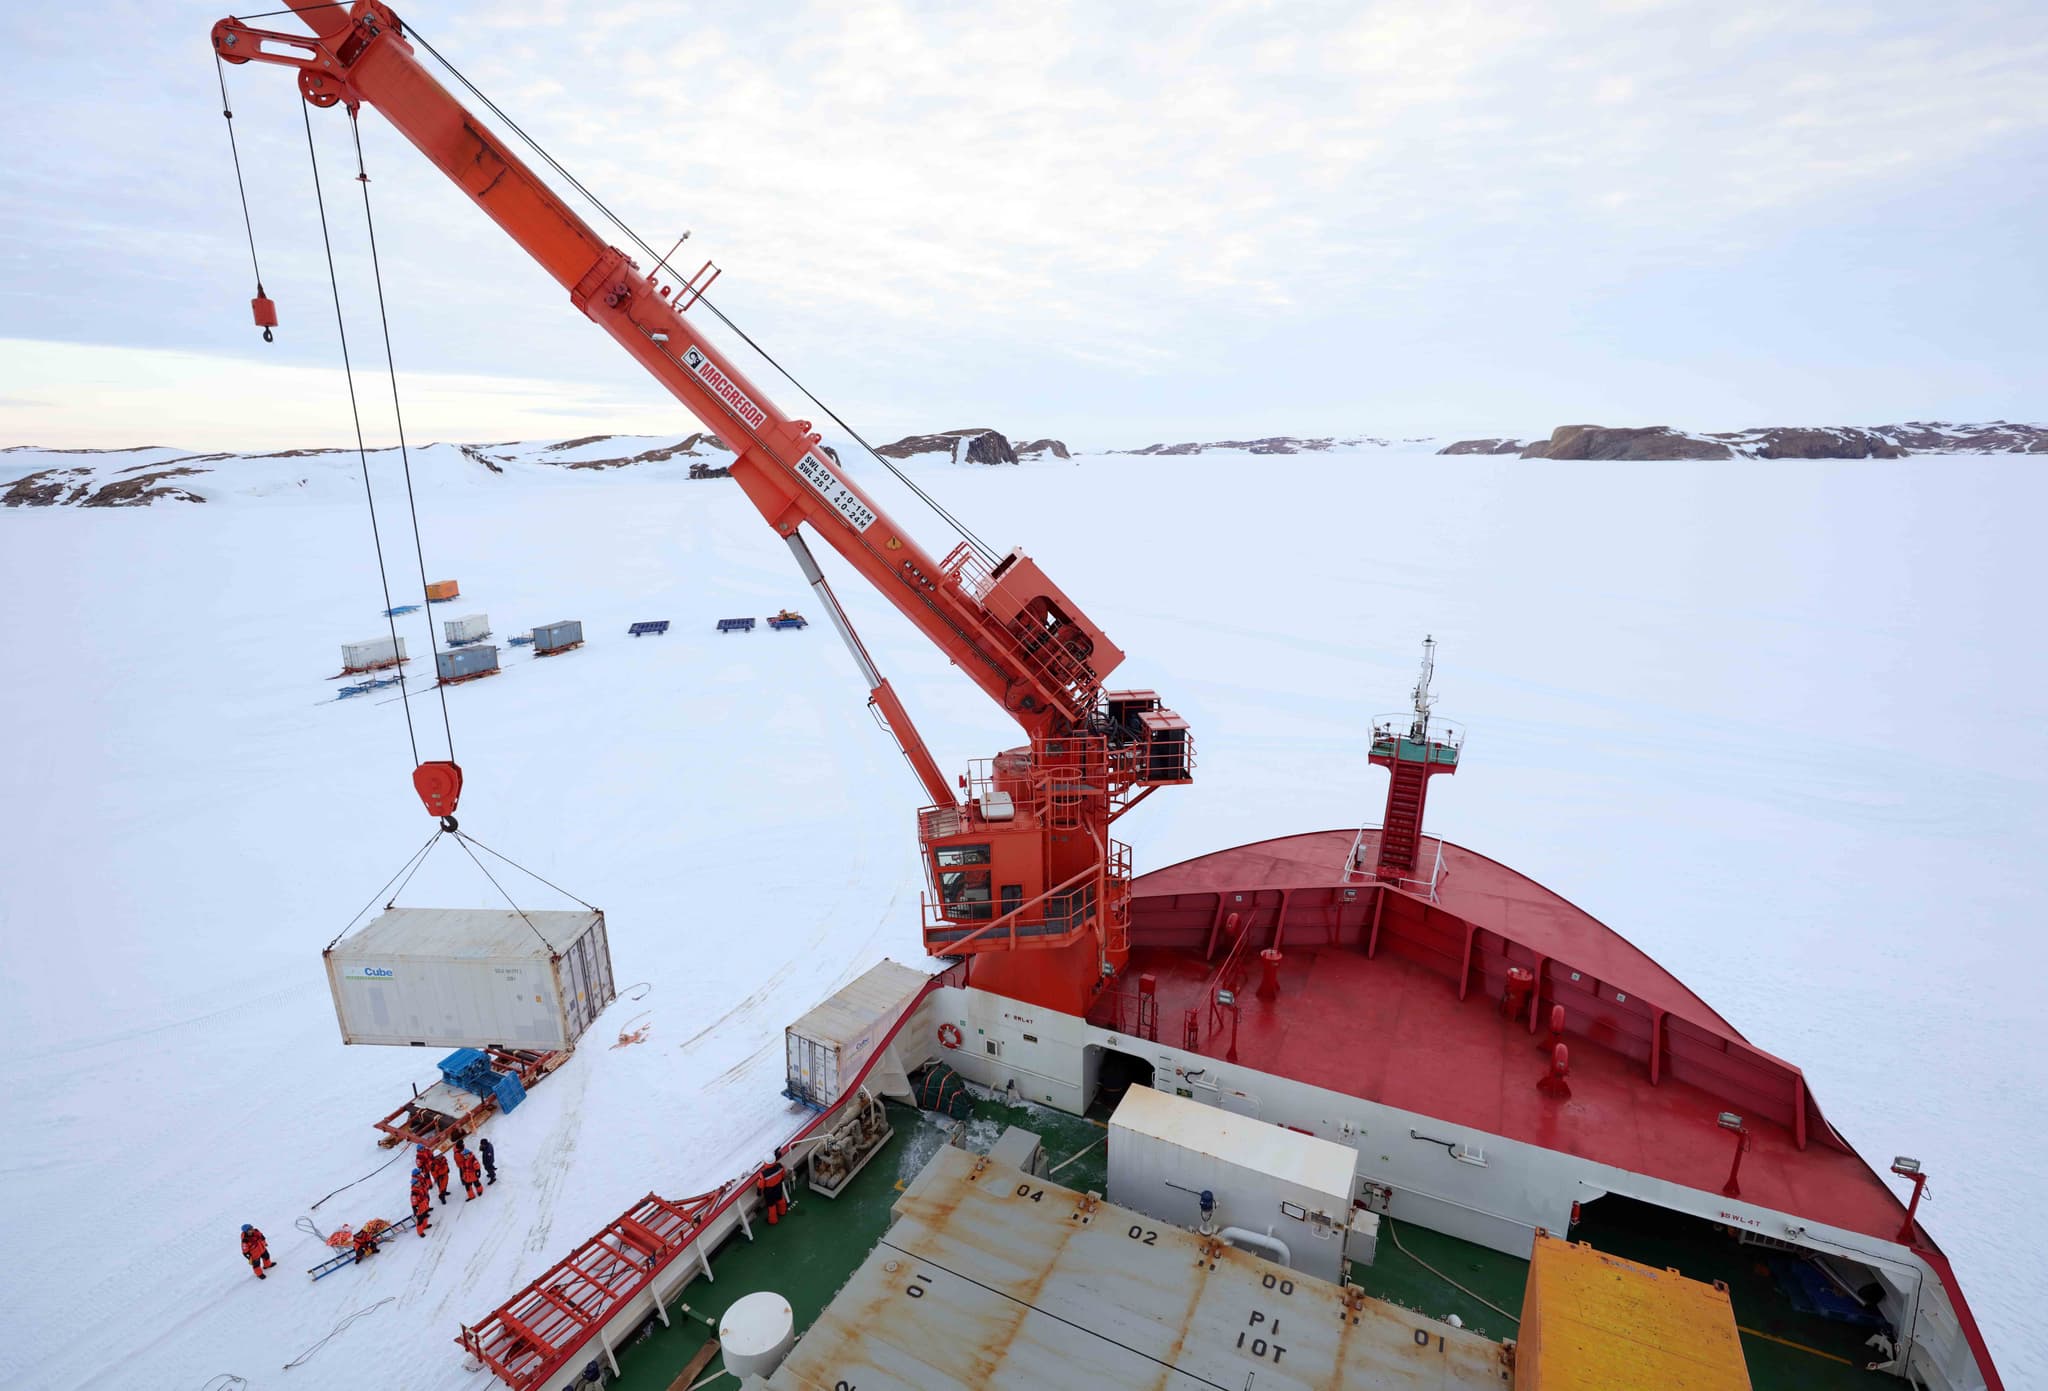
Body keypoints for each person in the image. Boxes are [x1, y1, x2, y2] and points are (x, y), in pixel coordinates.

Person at [756, 1158, 789, 1226]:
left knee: (771, 1205)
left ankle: (773, 1220)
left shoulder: (763, 1173)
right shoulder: (779, 1166)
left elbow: (760, 1184)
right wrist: (782, 1179)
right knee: (780, 1198)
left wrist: (759, 1192)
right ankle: (782, 1212)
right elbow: (783, 1173)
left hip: (769, 1191)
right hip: (778, 1186)